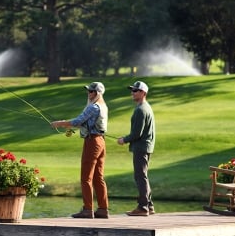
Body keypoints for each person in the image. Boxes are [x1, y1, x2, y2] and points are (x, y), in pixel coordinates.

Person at [51, 82, 109, 219]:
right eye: (88, 91)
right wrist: (68, 124)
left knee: (86, 178)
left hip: (92, 142)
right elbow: (83, 122)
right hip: (101, 142)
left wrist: (58, 123)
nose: (88, 94)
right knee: (98, 177)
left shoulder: (94, 107)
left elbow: (77, 121)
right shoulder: (103, 106)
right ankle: (103, 209)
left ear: (97, 93)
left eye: (91, 91)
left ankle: (87, 210)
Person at [117, 81, 156, 216]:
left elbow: (136, 134)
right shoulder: (145, 107)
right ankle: (149, 206)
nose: (132, 93)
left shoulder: (141, 110)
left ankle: (143, 207)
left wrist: (124, 140)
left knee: (140, 177)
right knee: (142, 176)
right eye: (132, 90)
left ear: (143, 93)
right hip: (145, 146)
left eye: (135, 91)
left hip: (141, 147)